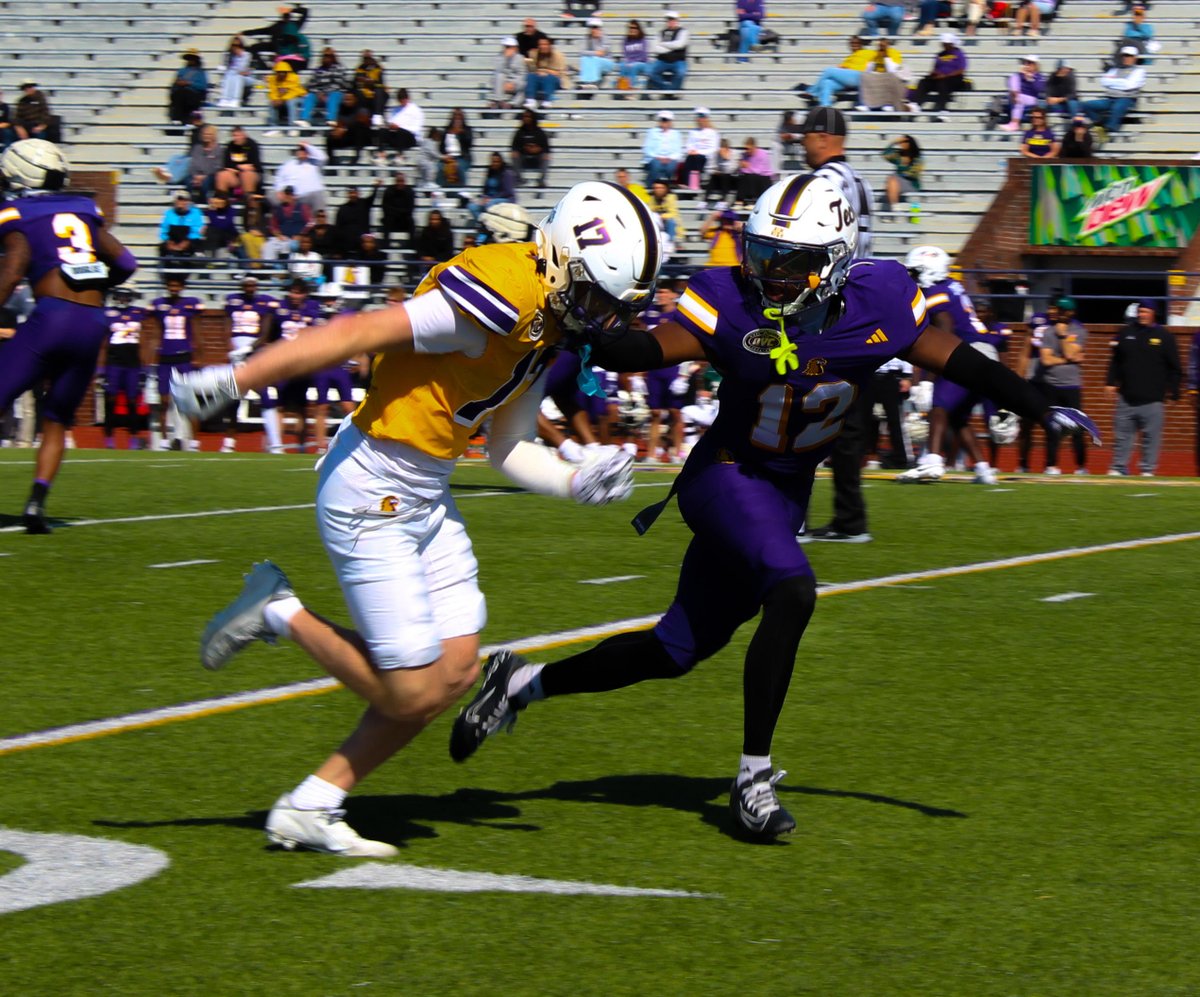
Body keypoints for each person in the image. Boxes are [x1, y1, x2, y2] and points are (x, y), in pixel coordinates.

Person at [446, 174, 1100, 840]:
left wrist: (1037, 404)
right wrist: (588, 320)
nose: (772, 273)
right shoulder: (730, 298)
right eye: (763, 254)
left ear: (839, 258)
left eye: (792, 262)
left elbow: (958, 360)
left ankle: (521, 681)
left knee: (675, 649)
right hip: (726, 475)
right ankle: (751, 780)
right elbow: (645, 350)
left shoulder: (881, 300)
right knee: (793, 589)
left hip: (783, 493)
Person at [170, 181, 662, 857]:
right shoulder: (506, 290)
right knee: (408, 692)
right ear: (560, 256)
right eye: (599, 299)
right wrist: (238, 379)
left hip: (423, 490)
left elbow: (506, 446)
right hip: (371, 486)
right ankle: (278, 608)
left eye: (615, 308)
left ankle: (312, 803)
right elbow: (360, 329)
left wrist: (576, 482)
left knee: (456, 671)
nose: (603, 319)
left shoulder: (550, 318)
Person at [798, 106, 875, 540]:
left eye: (806, 136)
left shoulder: (824, 181)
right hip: (858, 310)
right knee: (847, 424)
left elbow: (813, 239)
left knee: (804, 410)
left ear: (824, 137)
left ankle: (796, 516)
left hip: (826, 308)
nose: (802, 144)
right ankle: (851, 519)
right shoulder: (859, 180)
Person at [897, 246, 1008, 485]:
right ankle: (983, 470)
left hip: (969, 350)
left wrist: (926, 379)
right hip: (984, 350)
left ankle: (932, 462)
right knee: (957, 417)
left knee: (939, 405)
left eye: (916, 272)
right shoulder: (951, 286)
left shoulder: (935, 292)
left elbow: (944, 331)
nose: (913, 277)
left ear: (929, 271)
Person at [1104, 300, 1180, 476]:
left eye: (1145, 311)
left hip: (1153, 399)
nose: (1141, 315)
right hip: (1126, 398)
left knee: (1151, 438)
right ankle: (1118, 467)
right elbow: (1116, 361)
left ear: (1153, 313)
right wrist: (1109, 382)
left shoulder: (1165, 337)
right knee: (1122, 435)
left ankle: (1147, 469)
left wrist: (1174, 392)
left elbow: (1175, 368)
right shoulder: (1126, 333)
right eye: (1140, 312)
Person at [221, 276, 279, 453]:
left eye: (253, 284)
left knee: (266, 397)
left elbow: (264, 334)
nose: (250, 287)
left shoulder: (264, 303)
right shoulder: (233, 301)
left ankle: (275, 443)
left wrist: (247, 349)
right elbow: (227, 330)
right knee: (233, 399)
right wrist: (232, 350)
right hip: (236, 357)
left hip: (254, 354)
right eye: (247, 284)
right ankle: (229, 443)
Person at [149, 275, 204, 451]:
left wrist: (199, 355)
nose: (173, 288)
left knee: (189, 400)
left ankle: (194, 441)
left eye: (176, 285)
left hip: (183, 356)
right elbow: (156, 331)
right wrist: (152, 353)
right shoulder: (159, 305)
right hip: (165, 357)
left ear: (182, 287)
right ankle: (165, 440)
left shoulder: (189, 304)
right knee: (164, 401)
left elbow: (196, 331)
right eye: (170, 285)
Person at [1038, 296, 1088, 474]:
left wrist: (1062, 336)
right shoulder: (1048, 331)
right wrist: (1066, 359)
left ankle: (1081, 466)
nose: (1060, 313)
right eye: (1059, 309)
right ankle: (1051, 465)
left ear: (1071, 312)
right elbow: (1046, 359)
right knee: (1053, 427)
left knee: (1077, 427)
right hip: (1052, 385)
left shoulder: (1079, 331)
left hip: (1072, 386)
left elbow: (1071, 353)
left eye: (1064, 310)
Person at [101, 286, 149, 450]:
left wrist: (144, 365)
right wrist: (100, 367)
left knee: (132, 399)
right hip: (114, 361)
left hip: (132, 362)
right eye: (119, 296)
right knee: (110, 398)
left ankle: (133, 437)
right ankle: (109, 437)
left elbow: (143, 341)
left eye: (125, 296)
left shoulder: (138, 313)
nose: (122, 299)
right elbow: (104, 343)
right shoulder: (108, 313)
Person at [1080, 48, 1145, 141]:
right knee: (1086, 105)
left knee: (1117, 107)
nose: (1126, 58)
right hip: (1111, 98)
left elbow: (1129, 85)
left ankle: (1109, 130)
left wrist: (1114, 82)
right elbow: (1104, 82)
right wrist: (1122, 82)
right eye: (1124, 55)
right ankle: (1100, 123)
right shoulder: (1115, 69)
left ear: (1135, 58)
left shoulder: (1139, 71)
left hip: (1127, 98)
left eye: (1129, 56)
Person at [807, 35, 877, 109]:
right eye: (852, 43)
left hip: (859, 76)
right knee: (827, 82)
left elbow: (883, 53)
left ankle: (812, 92)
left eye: (856, 43)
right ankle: (825, 107)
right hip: (848, 81)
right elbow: (840, 68)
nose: (854, 45)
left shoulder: (869, 52)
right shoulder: (849, 58)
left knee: (828, 70)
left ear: (861, 44)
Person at [911, 33, 968, 117]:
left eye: (946, 44)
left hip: (954, 78)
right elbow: (935, 68)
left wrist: (946, 75)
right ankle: (916, 104)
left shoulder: (959, 54)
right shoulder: (940, 54)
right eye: (943, 43)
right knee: (923, 82)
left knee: (943, 83)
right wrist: (934, 73)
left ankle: (942, 109)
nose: (944, 45)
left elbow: (961, 70)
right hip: (940, 77)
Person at [298, 48, 349, 127]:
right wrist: (319, 93)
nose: (326, 58)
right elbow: (311, 85)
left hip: (336, 93)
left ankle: (331, 120)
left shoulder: (339, 68)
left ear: (333, 57)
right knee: (310, 96)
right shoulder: (318, 70)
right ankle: (304, 119)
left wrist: (326, 93)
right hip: (320, 94)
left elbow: (339, 84)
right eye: (325, 56)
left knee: (334, 95)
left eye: (329, 56)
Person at [273, 141, 327, 213]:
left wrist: (307, 146)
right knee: (272, 197)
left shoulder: (315, 162)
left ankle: (320, 223)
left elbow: (323, 157)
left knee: (318, 195)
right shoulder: (288, 164)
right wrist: (279, 190)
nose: (301, 152)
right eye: (299, 150)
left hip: (312, 195)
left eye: (304, 150)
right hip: (293, 196)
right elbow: (279, 178)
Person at [856, 36, 907, 112]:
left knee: (890, 76)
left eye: (883, 45)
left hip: (891, 77)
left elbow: (893, 71)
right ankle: (865, 104)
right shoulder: (875, 54)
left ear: (888, 45)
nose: (881, 47)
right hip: (877, 77)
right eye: (880, 45)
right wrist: (874, 60)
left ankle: (888, 104)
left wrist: (885, 56)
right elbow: (867, 70)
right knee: (864, 76)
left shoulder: (894, 53)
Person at [998, 55, 1045, 132]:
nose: (1026, 65)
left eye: (1029, 63)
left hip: (1031, 97)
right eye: (1025, 63)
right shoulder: (1019, 75)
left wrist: (1030, 79)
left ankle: (1015, 123)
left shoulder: (1039, 76)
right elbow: (1010, 83)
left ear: (1035, 65)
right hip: (1016, 96)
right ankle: (1015, 96)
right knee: (1014, 78)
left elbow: (1038, 89)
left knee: (1019, 99)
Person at [215, 125, 263, 198]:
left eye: (238, 135)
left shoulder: (252, 145)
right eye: (234, 136)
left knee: (246, 175)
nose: (236, 138)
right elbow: (227, 165)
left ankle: (249, 204)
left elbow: (255, 166)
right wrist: (239, 167)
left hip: (252, 175)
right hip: (235, 175)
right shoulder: (230, 145)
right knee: (222, 175)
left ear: (244, 135)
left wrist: (237, 168)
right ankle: (222, 202)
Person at [467, 152, 516, 224]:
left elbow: (507, 192)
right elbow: (485, 190)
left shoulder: (507, 173)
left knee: (490, 204)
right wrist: (483, 198)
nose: (495, 163)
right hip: (490, 199)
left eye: (497, 162)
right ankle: (483, 225)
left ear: (501, 162)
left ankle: (491, 225)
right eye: (493, 162)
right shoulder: (490, 173)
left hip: (505, 199)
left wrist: (492, 198)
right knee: (472, 206)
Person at [647, 10, 689, 93]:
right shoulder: (661, 32)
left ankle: (670, 92)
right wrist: (671, 47)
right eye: (669, 20)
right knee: (650, 72)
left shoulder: (683, 31)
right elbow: (655, 48)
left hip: (678, 60)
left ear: (677, 21)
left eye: (673, 20)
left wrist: (662, 44)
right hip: (662, 60)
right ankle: (669, 91)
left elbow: (679, 44)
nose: (670, 22)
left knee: (681, 73)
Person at [158, 189, 205, 260]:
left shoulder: (195, 213)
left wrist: (187, 242)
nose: (182, 202)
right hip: (172, 239)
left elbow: (197, 230)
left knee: (194, 245)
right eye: (179, 199)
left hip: (190, 240)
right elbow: (164, 230)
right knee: (163, 247)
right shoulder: (169, 213)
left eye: (185, 200)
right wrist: (168, 241)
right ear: (175, 201)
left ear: (189, 202)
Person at [380, 88, 424, 163]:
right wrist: (391, 126)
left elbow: (416, 128)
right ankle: (381, 155)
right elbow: (391, 122)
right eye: (400, 101)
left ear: (407, 99)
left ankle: (399, 156)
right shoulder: (395, 110)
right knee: (382, 131)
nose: (402, 103)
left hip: (410, 138)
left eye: (404, 100)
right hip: (397, 136)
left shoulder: (416, 110)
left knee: (401, 132)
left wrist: (400, 127)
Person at [510, 108, 551, 189]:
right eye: (524, 117)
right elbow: (514, 147)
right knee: (514, 155)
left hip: (537, 158)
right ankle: (519, 179)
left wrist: (538, 149)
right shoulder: (519, 132)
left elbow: (546, 148)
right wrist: (525, 148)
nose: (526, 118)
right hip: (524, 158)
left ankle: (541, 180)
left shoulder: (539, 132)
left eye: (528, 117)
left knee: (546, 156)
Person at [681, 107, 720, 190]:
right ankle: (688, 183)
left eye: (702, 117)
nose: (700, 119)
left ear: (706, 119)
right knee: (690, 157)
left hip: (706, 156)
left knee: (697, 158)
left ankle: (692, 183)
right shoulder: (693, 132)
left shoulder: (713, 133)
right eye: (698, 117)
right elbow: (689, 145)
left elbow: (714, 148)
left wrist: (698, 152)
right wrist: (691, 150)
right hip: (694, 155)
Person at [524, 36, 568, 109]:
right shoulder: (535, 54)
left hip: (555, 80)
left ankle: (547, 100)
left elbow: (560, 73)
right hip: (539, 77)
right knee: (531, 76)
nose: (542, 47)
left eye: (545, 44)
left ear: (550, 45)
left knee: (549, 78)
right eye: (540, 45)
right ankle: (530, 100)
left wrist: (545, 71)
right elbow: (531, 66)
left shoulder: (558, 56)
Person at [265, 60, 307, 135]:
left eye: (284, 72)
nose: (281, 74)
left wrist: (282, 99)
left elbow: (294, 92)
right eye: (279, 72)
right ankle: (274, 127)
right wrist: (275, 99)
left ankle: (293, 127)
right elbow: (272, 91)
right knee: (271, 103)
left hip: (299, 98)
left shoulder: (294, 77)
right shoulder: (273, 79)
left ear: (287, 72)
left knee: (291, 101)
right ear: (276, 72)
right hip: (283, 99)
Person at [881, 134, 922, 211]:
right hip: (897, 182)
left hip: (911, 183)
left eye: (904, 142)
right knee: (891, 180)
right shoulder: (898, 155)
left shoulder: (917, 157)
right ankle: (895, 207)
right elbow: (885, 155)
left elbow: (914, 173)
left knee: (892, 179)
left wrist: (900, 173)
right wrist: (893, 142)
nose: (902, 144)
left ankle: (893, 209)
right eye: (901, 142)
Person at [642, 110, 683, 186]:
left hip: (670, 159)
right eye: (662, 120)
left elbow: (678, 151)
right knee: (656, 165)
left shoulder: (676, 134)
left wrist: (669, 158)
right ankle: (652, 186)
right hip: (655, 158)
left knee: (671, 167)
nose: (664, 122)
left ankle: (666, 186)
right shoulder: (652, 132)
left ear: (670, 122)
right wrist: (658, 157)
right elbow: (647, 149)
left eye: (666, 120)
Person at [169, 50, 209, 125]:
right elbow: (175, 84)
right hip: (180, 94)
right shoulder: (181, 71)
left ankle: (182, 118)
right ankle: (177, 119)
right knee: (179, 94)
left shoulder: (200, 72)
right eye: (189, 58)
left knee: (184, 94)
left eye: (192, 58)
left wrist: (189, 83)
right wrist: (178, 83)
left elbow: (203, 86)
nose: (191, 60)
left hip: (194, 95)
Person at [578, 18, 616, 90]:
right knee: (586, 59)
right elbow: (582, 52)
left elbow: (601, 53)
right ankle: (588, 83)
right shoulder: (586, 38)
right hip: (593, 62)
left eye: (596, 27)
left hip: (607, 63)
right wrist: (594, 53)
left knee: (592, 59)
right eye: (592, 27)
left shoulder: (605, 38)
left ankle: (591, 82)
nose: (594, 29)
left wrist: (590, 53)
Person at [735, 136, 774, 206]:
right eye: (745, 148)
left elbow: (758, 171)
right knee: (743, 177)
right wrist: (741, 167)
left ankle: (751, 200)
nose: (746, 151)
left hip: (764, 177)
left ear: (754, 147)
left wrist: (747, 166)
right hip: (752, 176)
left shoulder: (762, 154)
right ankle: (740, 200)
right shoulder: (745, 155)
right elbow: (742, 171)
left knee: (751, 177)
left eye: (748, 149)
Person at [380, 172, 415, 247]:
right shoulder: (389, 190)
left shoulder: (409, 191)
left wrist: (395, 211)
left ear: (405, 182)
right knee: (388, 219)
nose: (399, 183)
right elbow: (385, 207)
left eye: (401, 181)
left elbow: (410, 209)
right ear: (395, 181)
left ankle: (412, 246)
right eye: (398, 181)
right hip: (392, 219)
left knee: (411, 221)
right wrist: (400, 211)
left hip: (404, 219)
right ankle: (385, 245)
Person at [491, 36, 526, 109]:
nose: (507, 49)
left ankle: (513, 104)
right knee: (499, 76)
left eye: (509, 47)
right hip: (504, 82)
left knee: (525, 85)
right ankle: (499, 100)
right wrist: (506, 59)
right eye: (506, 47)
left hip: (515, 82)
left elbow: (522, 74)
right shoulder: (499, 57)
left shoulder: (520, 58)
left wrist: (513, 83)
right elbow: (499, 71)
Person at [218, 37, 253, 108]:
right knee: (230, 75)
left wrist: (240, 56)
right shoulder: (228, 55)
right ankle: (225, 99)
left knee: (236, 76)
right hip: (232, 77)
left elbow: (242, 69)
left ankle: (235, 99)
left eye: (238, 46)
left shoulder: (247, 55)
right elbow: (223, 67)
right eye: (234, 46)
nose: (236, 48)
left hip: (247, 78)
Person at [618, 19, 651, 94]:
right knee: (623, 65)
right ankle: (623, 89)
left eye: (634, 28)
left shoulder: (643, 40)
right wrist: (627, 62)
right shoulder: (625, 41)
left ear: (638, 29)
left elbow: (644, 55)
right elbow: (625, 54)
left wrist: (632, 62)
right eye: (630, 28)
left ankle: (630, 90)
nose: (632, 30)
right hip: (630, 62)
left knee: (633, 66)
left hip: (643, 63)